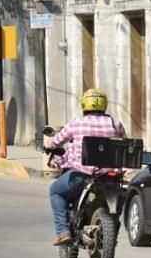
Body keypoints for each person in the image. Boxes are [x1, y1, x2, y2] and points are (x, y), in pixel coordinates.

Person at [44, 88, 126, 246]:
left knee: (55, 191)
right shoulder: (115, 123)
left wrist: (48, 144)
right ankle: (112, 233)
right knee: (117, 203)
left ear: (84, 105)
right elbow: (123, 142)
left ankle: (63, 232)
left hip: (82, 175)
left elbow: (57, 141)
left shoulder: (77, 123)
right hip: (109, 176)